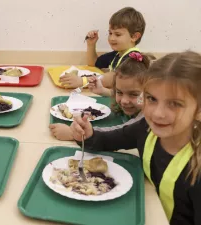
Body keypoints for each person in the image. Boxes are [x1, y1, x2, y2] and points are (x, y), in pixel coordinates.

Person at [71, 51, 201, 225]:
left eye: (175, 104)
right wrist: (87, 134)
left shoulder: (196, 170)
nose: (158, 113)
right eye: (151, 99)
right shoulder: (145, 129)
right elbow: (110, 140)